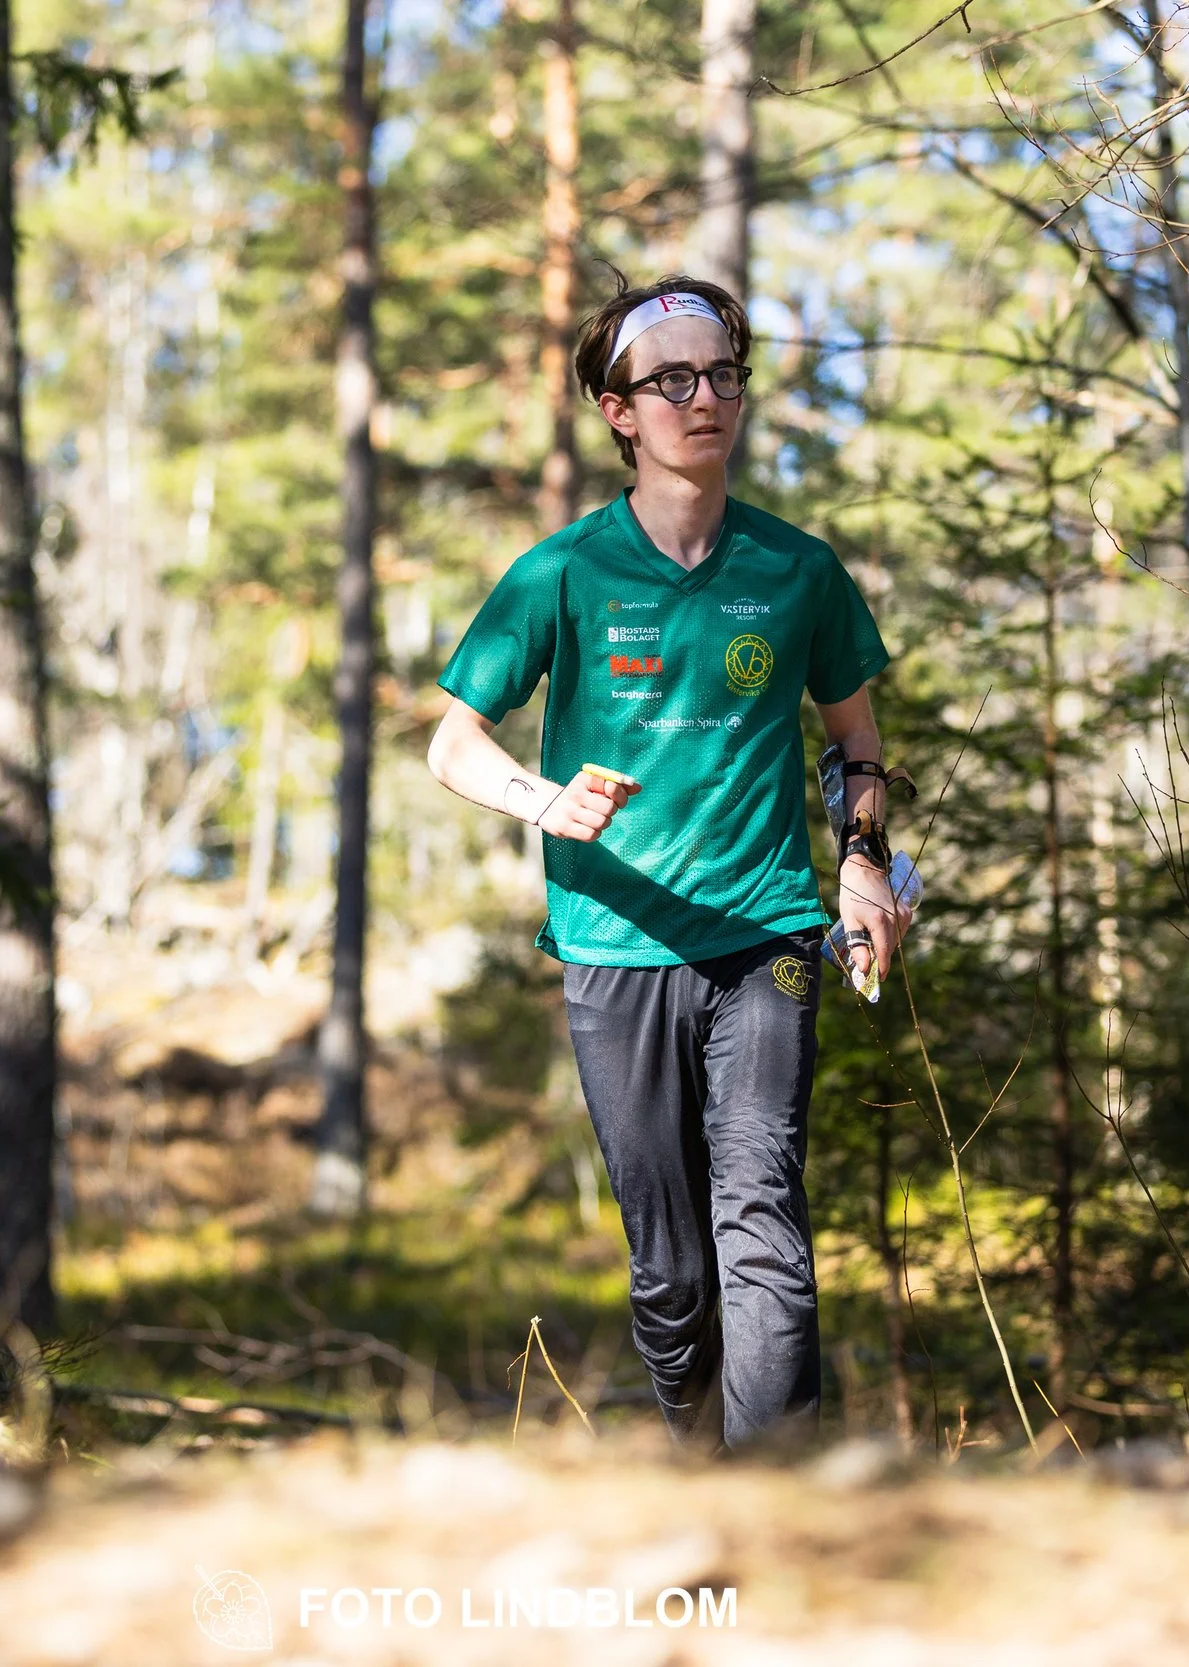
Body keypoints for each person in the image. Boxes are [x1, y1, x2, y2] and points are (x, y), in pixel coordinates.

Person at [426, 274, 911, 1450]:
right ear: (619, 411)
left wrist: (861, 864)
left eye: (724, 375)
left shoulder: (797, 570)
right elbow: (453, 743)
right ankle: (697, 1468)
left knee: (763, 1215)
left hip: (766, 934)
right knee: (674, 1273)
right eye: (674, 380)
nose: (706, 399)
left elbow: (857, 745)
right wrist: (545, 801)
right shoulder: (562, 572)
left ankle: (775, 1493)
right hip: (613, 942)